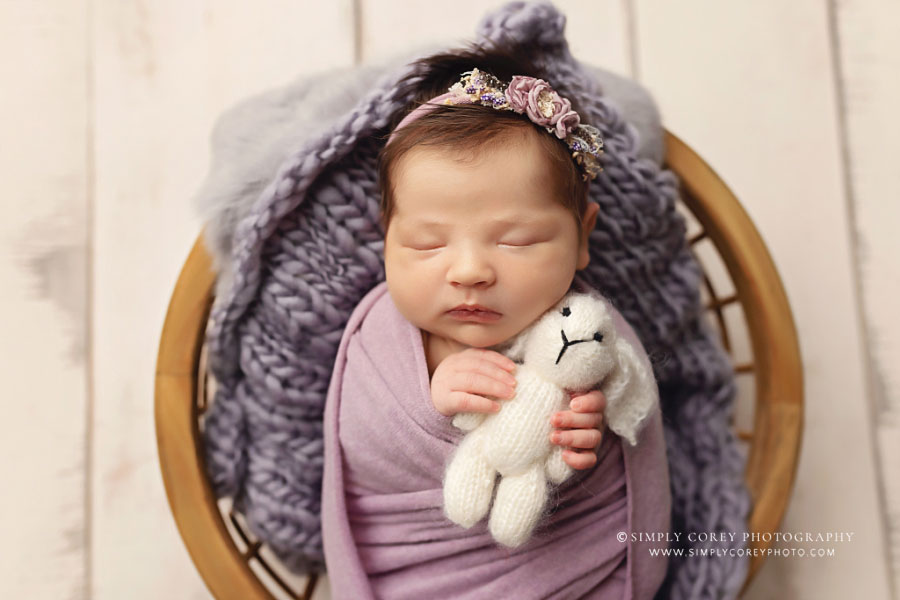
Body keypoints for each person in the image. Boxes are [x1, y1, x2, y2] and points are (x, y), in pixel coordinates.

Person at [321, 42, 669, 599]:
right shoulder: (376, 338)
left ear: (583, 236)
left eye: (517, 240)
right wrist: (429, 403)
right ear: (385, 234)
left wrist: (584, 443)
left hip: (566, 572)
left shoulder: (589, 332)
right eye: (427, 244)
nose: (470, 271)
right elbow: (360, 447)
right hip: (416, 576)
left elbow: (635, 429)